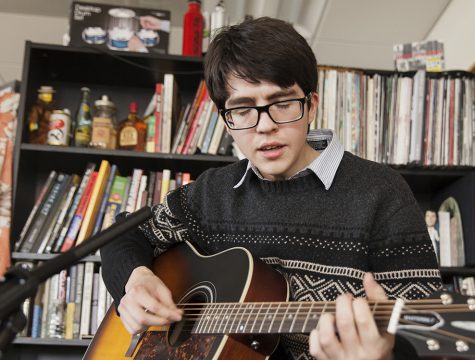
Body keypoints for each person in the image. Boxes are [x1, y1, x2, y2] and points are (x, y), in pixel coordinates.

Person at [101, 17, 441, 360]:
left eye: (282, 103)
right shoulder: (210, 194)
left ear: (311, 106)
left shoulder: (382, 193)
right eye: (243, 109)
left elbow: (429, 339)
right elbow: (123, 235)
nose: (265, 126)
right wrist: (134, 278)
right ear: (225, 122)